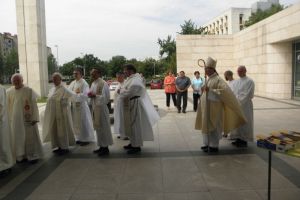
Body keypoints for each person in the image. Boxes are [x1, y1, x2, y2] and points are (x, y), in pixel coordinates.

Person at [195, 57, 246, 152]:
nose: (206, 71)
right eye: (205, 69)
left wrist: (210, 91)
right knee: (205, 125)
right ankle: (206, 143)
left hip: (214, 108)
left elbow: (225, 91)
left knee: (214, 126)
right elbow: (205, 91)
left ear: (212, 69)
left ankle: (213, 145)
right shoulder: (208, 79)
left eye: (207, 69)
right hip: (206, 107)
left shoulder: (218, 79)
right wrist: (204, 89)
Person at [119, 64, 160, 154]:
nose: (124, 72)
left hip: (134, 104)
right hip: (129, 104)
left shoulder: (136, 80)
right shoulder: (131, 79)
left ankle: (136, 146)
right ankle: (132, 142)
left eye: (125, 70)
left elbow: (129, 92)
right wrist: (122, 90)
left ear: (130, 71)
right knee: (130, 125)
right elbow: (124, 89)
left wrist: (121, 91)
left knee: (134, 125)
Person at [6, 74, 43, 163]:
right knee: (18, 138)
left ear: (22, 81)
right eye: (14, 81)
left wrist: (35, 118)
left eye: (18, 80)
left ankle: (32, 156)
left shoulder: (28, 90)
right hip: (15, 121)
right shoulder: (9, 92)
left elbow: (34, 105)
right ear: (12, 82)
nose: (16, 82)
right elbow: (7, 106)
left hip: (28, 119)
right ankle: (20, 156)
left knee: (29, 137)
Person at [43, 72, 76, 155]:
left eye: (56, 79)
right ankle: (58, 146)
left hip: (62, 114)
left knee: (62, 130)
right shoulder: (52, 89)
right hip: (53, 114)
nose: (54, 80)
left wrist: (64, 101)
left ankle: (64, 147)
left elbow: (72, 96)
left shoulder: (64, 89)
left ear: (60, 79)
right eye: (53, 79)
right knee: (55, 131)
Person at [89, 68, 113, 156]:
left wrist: (95, 95)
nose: (92, 75)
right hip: (95, 107)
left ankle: (105, 148)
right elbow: (92, 94)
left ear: (99, 74)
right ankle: (101, 146)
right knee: (98, 128)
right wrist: (90, 96)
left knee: (104, 128)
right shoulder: (93, 83)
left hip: (102, 109)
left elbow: (106, 98)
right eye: (91, 74)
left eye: (94, 74)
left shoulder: (103, 83)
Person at [68, 68, 95, 146]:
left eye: (76, 73)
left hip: (82, 106)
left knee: (83, 122)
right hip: (75, 106)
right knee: (76, 122)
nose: (75, 75)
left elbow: (85, 94)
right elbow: (68, 92)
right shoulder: (73, 83)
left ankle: (86, 138)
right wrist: (71, 97)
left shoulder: (84, 83)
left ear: (80, 74)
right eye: (74, 73)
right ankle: (79, 138)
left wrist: (75, 96)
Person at [231, 66, 255, 147]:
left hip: (245, 106)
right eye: (238, 71)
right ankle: (238, 138)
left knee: (245, 122)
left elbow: (248, 94)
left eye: (241, 71)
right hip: (237, 105)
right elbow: (233, 92)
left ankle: (244, 141)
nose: (239, 72)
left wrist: (238, 102)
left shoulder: (250, 81)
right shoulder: (236, 81)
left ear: (245, 71)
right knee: (238, 123)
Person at [0, 84, 14, 175]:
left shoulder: (0, 88)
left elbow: (0, 105)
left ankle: (5, 166)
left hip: (1, 121)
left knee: (2, 144)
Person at [113, 72, 128, 140]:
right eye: (117, 77)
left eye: (119, 77)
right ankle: (121, 132)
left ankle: (125, 134)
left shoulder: (126, 83)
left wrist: (121, 92)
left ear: (123, 77)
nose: (117, 78)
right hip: (118, 105)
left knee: (123, 119)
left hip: (123, 105)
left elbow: (126, 93)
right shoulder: (119, 84)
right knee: (119, 119)